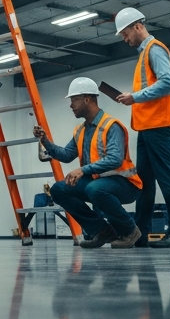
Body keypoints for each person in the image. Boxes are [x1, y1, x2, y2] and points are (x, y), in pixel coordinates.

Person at [33, 77, 144, 249]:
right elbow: (67, 154)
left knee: (94, 188)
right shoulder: (81, 130)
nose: (71, 105)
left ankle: (130, 230)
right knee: (59, 189)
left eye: (74, 100)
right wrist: (45, 141)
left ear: (87, 99)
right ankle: (101, 230)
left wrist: (82, 170)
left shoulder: (111, 125)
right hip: (99, 183)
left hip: (126, 184)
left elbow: (115, 159)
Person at [112, 7, 170, 249]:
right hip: (147, 126)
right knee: (144, 181)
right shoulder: (144, 53)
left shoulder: (155, 49)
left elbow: (166, 82)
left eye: (125, 33)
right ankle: (141, 233)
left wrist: (134, 97)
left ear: (138, 26)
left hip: (158, 124)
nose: (125, 39)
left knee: (166, 176)